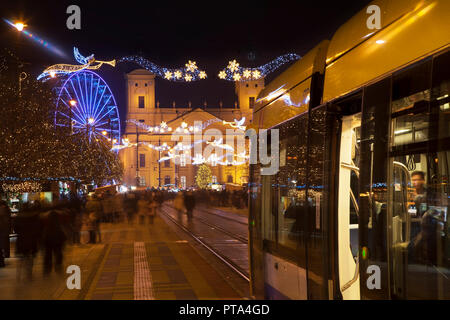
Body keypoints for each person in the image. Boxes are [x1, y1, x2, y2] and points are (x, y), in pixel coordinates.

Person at [15, 202, 41, 280]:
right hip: (31, 239)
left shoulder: (18, 217)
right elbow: (37, 228)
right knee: (30, 257)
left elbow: (15, 229)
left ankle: (18, 274)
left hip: (21, 239)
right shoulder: (33, 216)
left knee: (22, 257)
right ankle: (29, 273)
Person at [42, 209, 67, 275]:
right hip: (57, 239)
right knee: (58, 254)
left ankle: (47, 271)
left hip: (48, 239)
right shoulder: (58, 223)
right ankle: (58, 268)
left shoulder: (46, 222)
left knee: (48, 255)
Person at [0, 200, 11, 267]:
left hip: (2, 229)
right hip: (5, 229)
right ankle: (7, 254)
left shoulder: (2, 210)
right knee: (6, 242)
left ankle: (2, 261)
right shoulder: (7, 209)